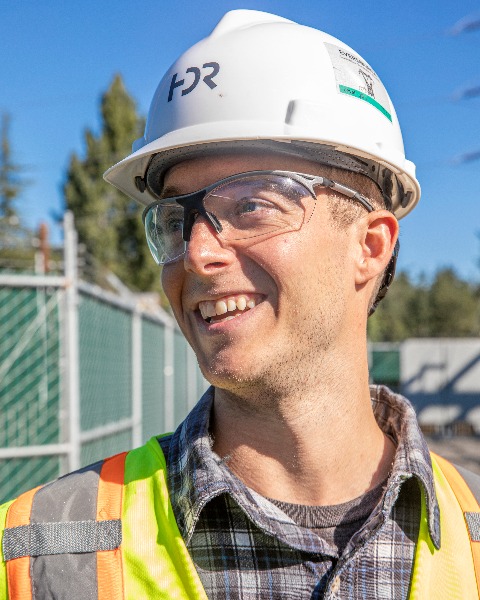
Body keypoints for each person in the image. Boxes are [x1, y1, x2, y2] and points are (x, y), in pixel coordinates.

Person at [1, 9, 479, 600]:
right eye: (175, 219)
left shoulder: (473, 534)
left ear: (370, 247)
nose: (197, 253)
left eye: (252, 205)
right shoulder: (36, 555)